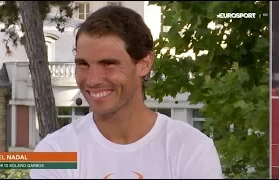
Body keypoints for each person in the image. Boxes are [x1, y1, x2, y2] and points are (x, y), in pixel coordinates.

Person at [30, 5, 223, 179]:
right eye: (83, 64)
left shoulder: (191, 149)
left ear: (144, 64)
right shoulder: (55, 151)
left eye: (108, 64)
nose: (92, 79)